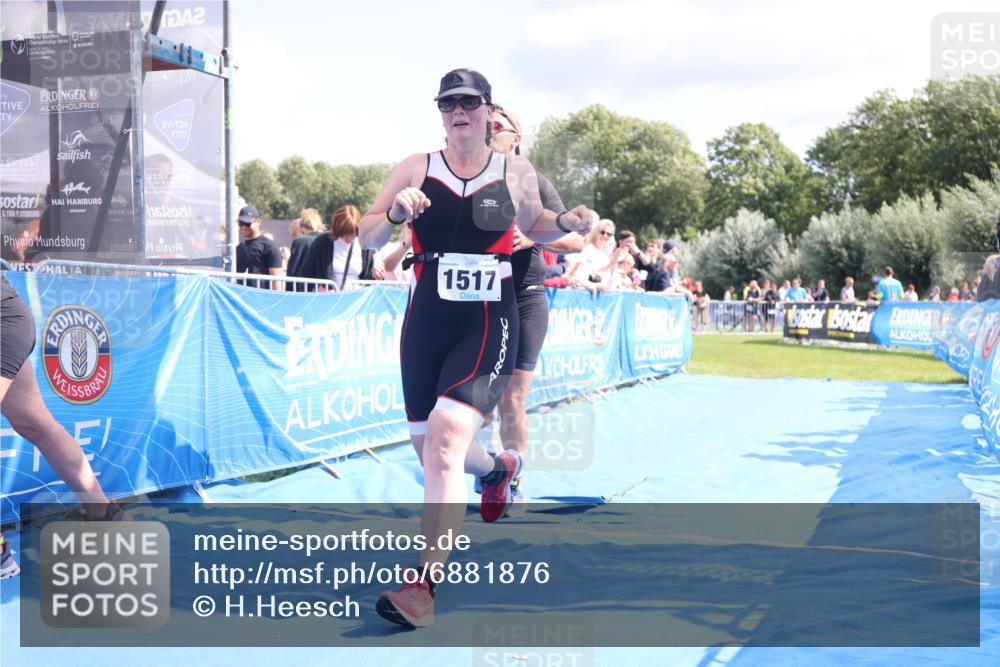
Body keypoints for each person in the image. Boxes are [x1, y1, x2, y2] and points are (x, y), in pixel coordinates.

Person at [357, 68, 594, 628]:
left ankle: (423, 588)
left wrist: (567, 222)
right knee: (432, 451)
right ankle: (496, 469)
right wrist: (392, 215)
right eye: (447, 104)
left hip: (488, 317)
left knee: (442, 444)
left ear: (489, 111)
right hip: (426, 321)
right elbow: (367, 234)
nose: (456, 112)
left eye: (467, 103)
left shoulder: (517, 171)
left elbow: (538, 227)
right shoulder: (417, 167)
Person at [477, 104, 585, 506]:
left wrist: (535, 237)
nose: (490, 131)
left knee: (512, 399)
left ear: (515, 138)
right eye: (486, 125)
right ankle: (484, 468)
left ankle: (512, 480)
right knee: (476, 398)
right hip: (480, 300)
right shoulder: (468, 176)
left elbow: (576, 240)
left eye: (498, 126)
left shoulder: (534, 180)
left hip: (524, 297)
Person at [0, 275, 121, 579]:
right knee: (36, 423)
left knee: (38, 425)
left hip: (4, 322)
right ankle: (104, 514)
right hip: (9, 318)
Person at [301, 205, 382, 290]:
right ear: (337, 229)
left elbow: (372, 280)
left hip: (357, 299)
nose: (349, 238)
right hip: (330, 300)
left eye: (353, 233)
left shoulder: (366, 246)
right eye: (344, 233)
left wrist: (377, 275)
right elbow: (306, 274)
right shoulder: (322, 242)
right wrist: (318, 289)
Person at [235, 205, 284, 289]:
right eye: (240, 223)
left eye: (247, 223)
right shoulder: (240, 247)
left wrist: (276, 299)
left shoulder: (270, 247)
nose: (243, 227)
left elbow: (276, 279)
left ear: (258, 222)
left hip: (262, 297)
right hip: (241, 297)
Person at [286, 208, 325, 291]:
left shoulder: (300, 242)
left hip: (304, 291)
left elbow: (293, 270)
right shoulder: (328, 241)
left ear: (302, 227)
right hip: (324, 291)